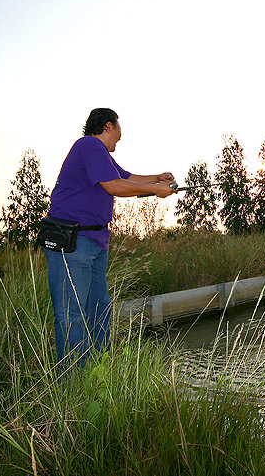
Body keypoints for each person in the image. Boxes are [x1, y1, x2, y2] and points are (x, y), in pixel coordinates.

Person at [44, 108, 176, 369]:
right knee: (72, 315)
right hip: (73, 242)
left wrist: (156, 178)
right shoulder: (89, 145)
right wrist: (155, 190)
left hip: (94, 242)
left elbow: (124, 177)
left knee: (99, 310)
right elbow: (113, 186)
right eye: (118, 130)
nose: (120, 136)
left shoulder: (100, 154)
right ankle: (74, 382)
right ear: (107, 126)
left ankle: (99, 372)